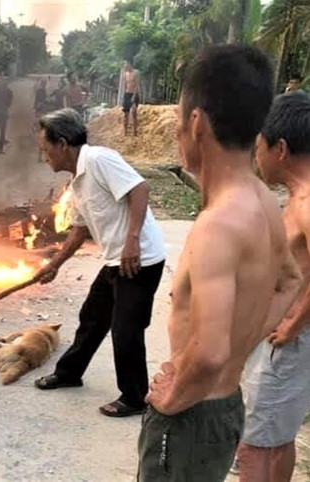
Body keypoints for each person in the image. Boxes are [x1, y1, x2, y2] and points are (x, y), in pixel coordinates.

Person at [138, 45, 302, 482]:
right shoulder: (264, 200)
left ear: (197, 124)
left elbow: (209, 352)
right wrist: (242, 345)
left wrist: (172, 400)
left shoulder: (218, 226)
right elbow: (290, 281)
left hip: (192, 416)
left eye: (177, 125)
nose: (178, 135)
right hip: (226, 404)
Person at [33, 108, 166, 419]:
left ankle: (134, 398)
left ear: (62, 144)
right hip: (116, 261)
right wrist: (56, 263)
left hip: (140, 260)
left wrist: (132, 239)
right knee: (92, 316)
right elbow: (80, 230)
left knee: (126, 330)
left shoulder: (98, 160)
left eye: (45, 149)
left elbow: (140, 189)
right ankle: (69, 373)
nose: (44, 156)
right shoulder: (77, 183)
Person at [236, 92, 310, 482]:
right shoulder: (298, 198)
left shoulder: (306, 200)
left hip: (286, 346)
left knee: (255, 446)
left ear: (279, 148)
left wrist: (294, 322)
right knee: (276, 439)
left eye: (258, 145)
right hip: (284, 341)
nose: (256, 155)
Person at [121, 60, 141, 136]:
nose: (125, 66)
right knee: (126, 114)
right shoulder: (125, 74)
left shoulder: (136, 72)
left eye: (125, 64)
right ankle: (125, 132)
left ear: (129, 64)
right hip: (127, 94)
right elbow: (125, 85)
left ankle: (135, 131)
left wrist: (133, 96)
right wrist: (124, 95)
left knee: (134, 112)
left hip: (134, 94)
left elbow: (136, 85)